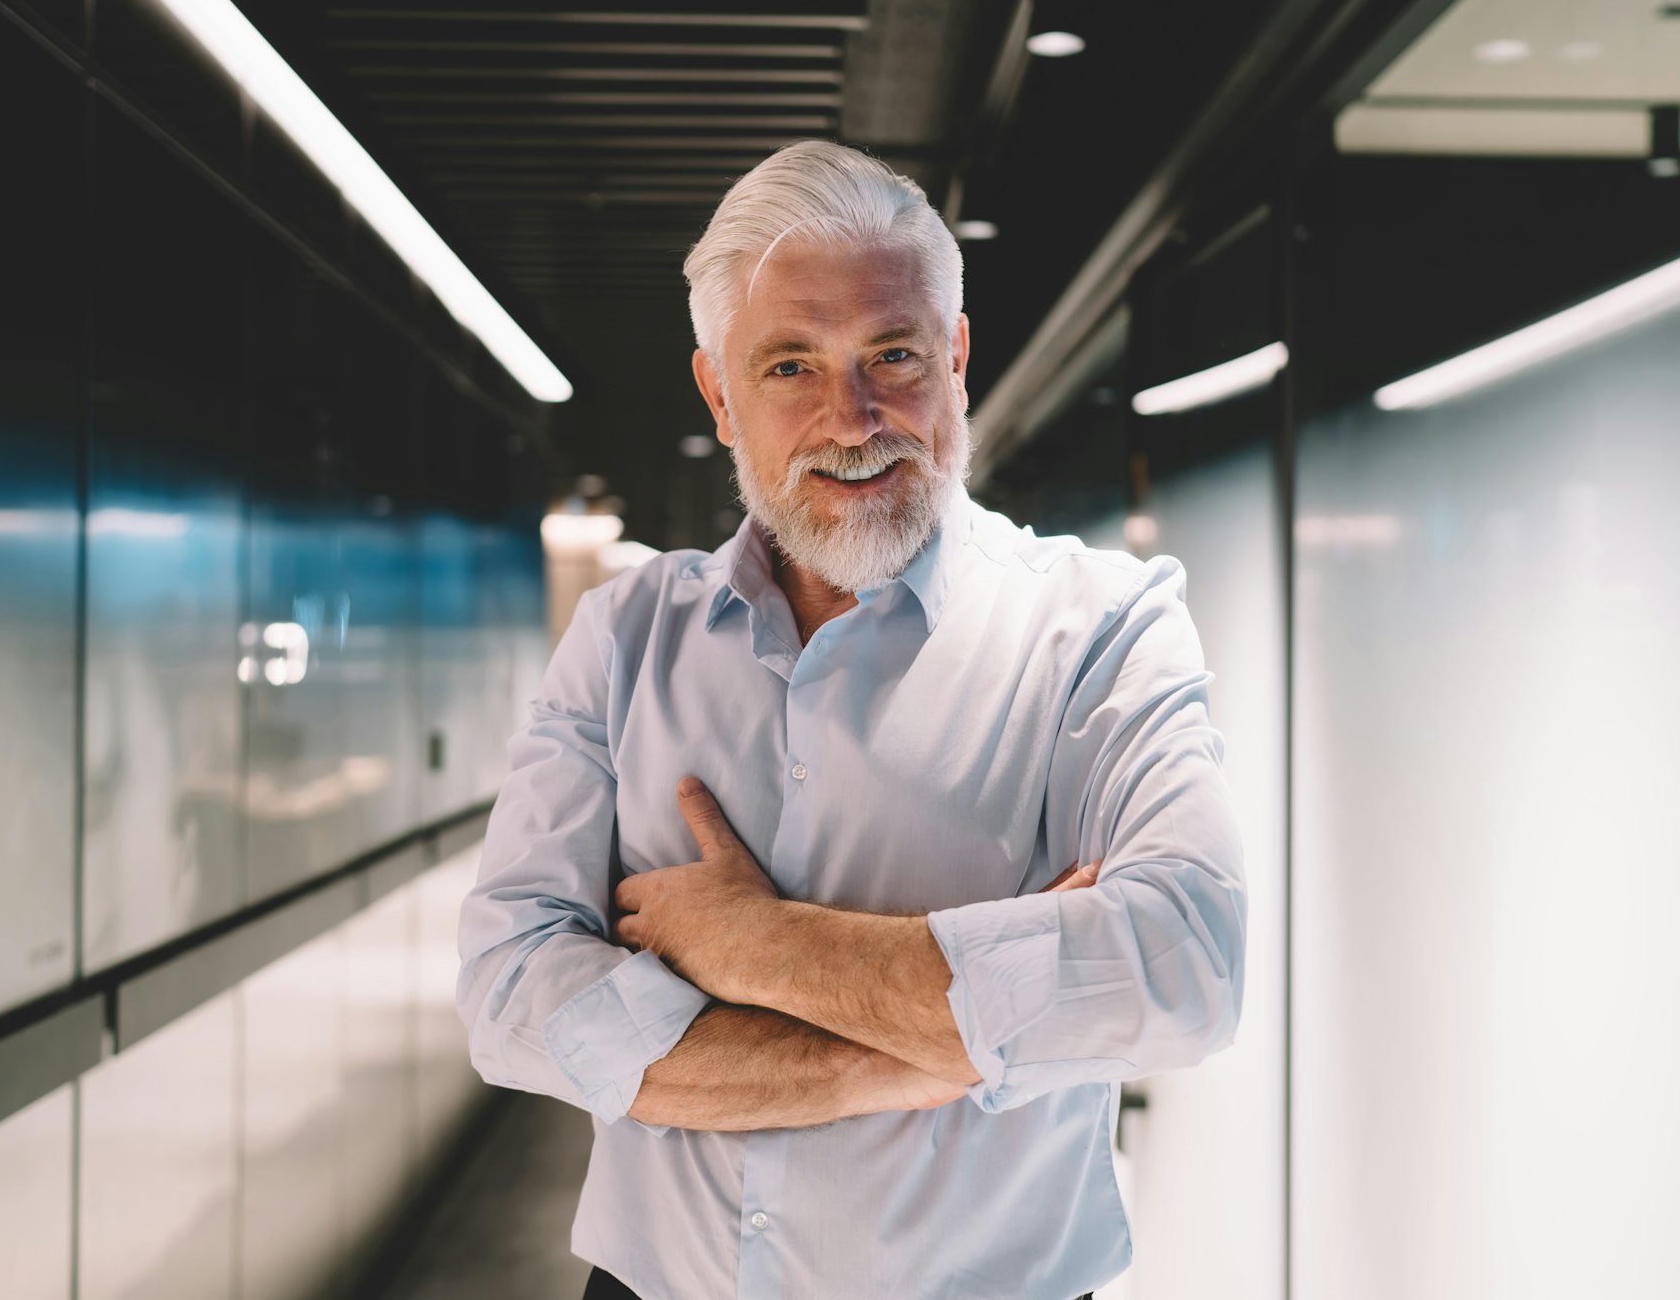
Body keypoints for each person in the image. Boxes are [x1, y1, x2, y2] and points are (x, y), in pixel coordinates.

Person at [457, 140, 1246, 1300]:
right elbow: (512, 992)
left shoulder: (1102, 627)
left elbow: (1181, 965)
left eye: (893, 353)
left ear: (957, 359)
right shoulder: (625, 640)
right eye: (788, 366)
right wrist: (930, 1050)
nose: (851, 416)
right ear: (718, 394)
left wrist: (752, 947)